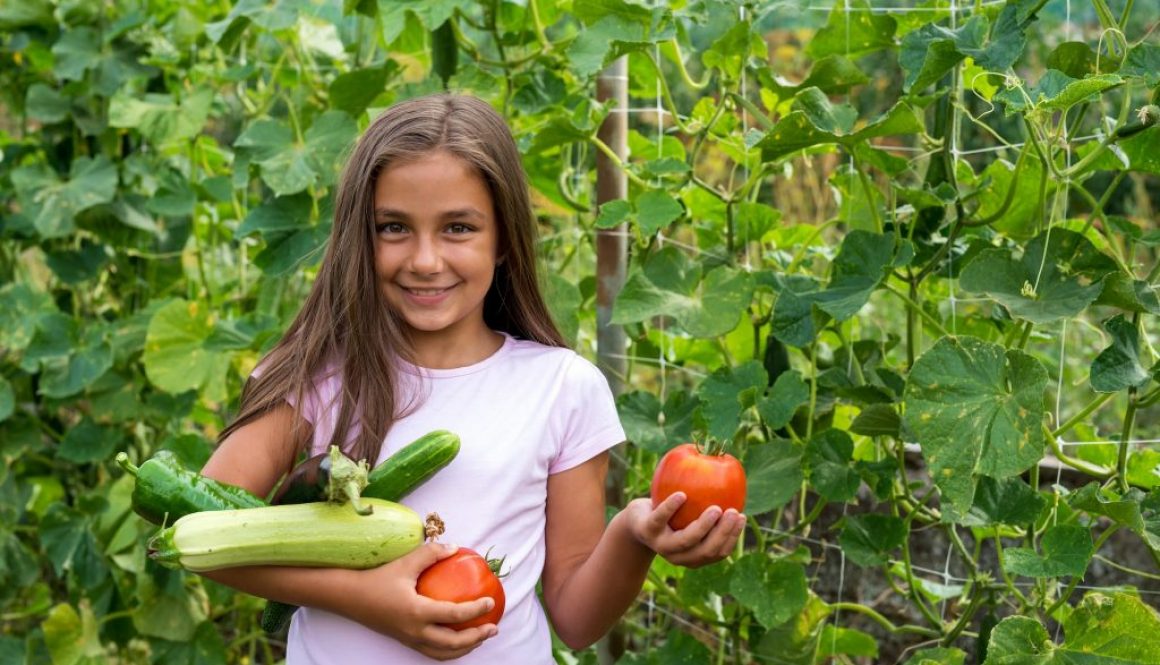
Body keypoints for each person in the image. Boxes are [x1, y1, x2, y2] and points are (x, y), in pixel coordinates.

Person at [199, 93, 747, 664]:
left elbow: (577, 618)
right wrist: (364, 599)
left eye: (458, 228)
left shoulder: (562, 388)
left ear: (504, 238)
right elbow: (204, 532)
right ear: (360, 237)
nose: (426, 260)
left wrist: (635, 534)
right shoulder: (316, 377)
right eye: (393, 228)